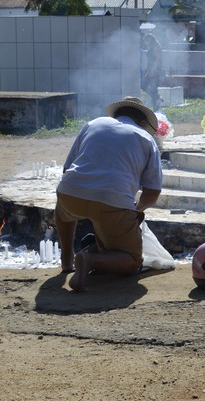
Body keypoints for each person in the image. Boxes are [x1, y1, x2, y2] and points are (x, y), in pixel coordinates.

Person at [55, 97, 163, 291]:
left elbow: (67, 170)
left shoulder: (94, 124)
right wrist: (136, 210)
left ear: (118, 114)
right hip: (113, 203)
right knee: (132, 261)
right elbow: (153, 191)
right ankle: (88, 260)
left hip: (71, 194)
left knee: (63, 210)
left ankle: (66, 260)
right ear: (142, 122)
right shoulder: (146, 138)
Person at [141, 33, 163, 109]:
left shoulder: (157, 47)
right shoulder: (151, 47)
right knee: (143, 85)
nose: (145, 43)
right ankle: (157, 98)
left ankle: (156, 105)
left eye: (146, 41)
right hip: (150, 70)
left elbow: (158, 60)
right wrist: (147, 70)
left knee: (153, 87)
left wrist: (153, 70)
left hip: (156, 71)